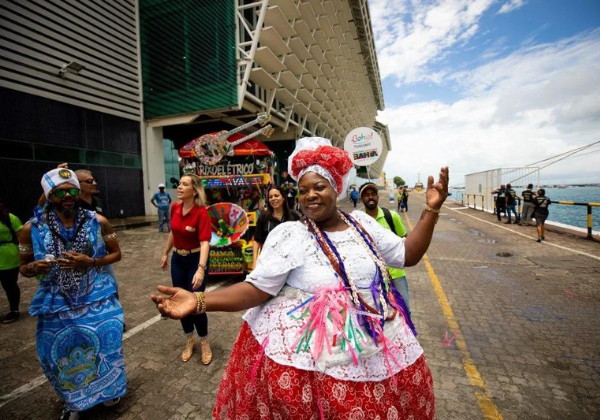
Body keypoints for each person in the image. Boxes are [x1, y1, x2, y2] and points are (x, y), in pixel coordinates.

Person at [152, 137, 449, 419]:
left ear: (336, 188)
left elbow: (407, 254)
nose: (310, 195)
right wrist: (199, 300)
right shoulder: (291, 234)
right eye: (303, 190)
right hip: (309, 364)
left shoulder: (361, 223)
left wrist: (431, 209)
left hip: (373, 350)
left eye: (318, 186)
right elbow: (256, 290)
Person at [19, 168, 126, 420]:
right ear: (49, 194)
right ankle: (74, 401)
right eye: (60, 191)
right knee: (59, 354)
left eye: (73, 190)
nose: (68, 196)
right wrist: (33, 267)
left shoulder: (98, 221)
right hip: (56, 301)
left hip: (97, 295)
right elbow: (23, 267)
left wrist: (90, 261)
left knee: (107, 346)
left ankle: (109, 391)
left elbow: (116, 254)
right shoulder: (30, 228)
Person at [159, 174, 212, 364]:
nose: (179, 187)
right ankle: (190, 340)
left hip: (196, 260)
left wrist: (200, 269)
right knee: (179, 301)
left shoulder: (201, 212)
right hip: (178, 261)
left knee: (196, 303)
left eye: (185, 184)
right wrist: (166, 252)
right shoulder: (175, 207)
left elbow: (205, 242)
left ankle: (204, 341)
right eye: (179, 184)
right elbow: (173, 231)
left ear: (194, 189)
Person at [359, 182, 412, 312]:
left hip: (395, 274)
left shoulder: (391, 216)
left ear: (377, 196)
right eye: (366, 195)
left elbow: (405, 239)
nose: (370, 197)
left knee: (404, 309)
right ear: (361, 199)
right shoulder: (358, 221)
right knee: (378, 313)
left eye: (373, 194)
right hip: (373, 277)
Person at [252, 185, 301, 268]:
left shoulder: (293, 216)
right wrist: (254, 263)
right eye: (270, 197)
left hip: (290, 262)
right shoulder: (264, 217)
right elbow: (257, 241)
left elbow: (300, 239)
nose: (273, 199)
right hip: (269, 262)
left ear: (283, 197)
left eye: (276, 196)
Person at [0, 198, 23, 323]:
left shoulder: (10, 218)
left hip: (8, 255)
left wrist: (24, 256)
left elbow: (20, 236)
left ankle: (14, 309)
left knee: (9, 284)